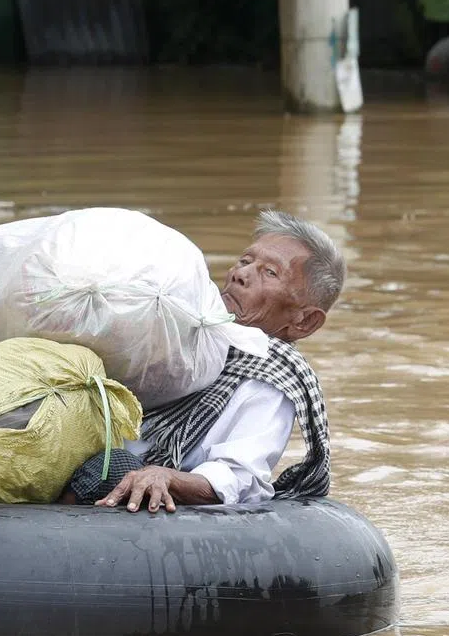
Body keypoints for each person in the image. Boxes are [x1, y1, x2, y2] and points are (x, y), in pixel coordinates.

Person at [66, 209, 344, 513]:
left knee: (113, 467)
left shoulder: (271, 380)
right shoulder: (183, 328)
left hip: (137, 487)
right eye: (246, 261)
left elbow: (238, 476)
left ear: (304, 321)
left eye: (270, 273)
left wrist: (167, 476)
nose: (241, 274)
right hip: (91, 454)